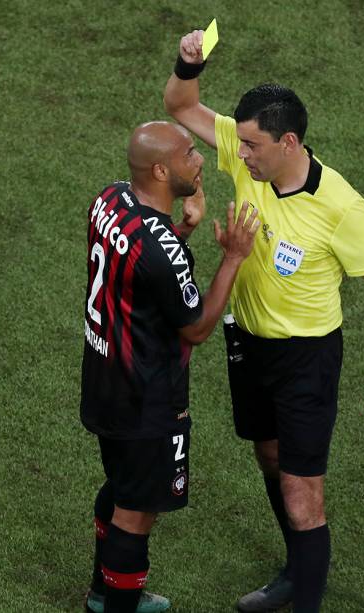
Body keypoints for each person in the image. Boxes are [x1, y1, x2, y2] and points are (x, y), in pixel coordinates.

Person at [163, 29, 364, 613]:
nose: (238, 155)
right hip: (247, 343)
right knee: (269, 458)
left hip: (306, 358)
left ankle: (304, 597)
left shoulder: (341, 207)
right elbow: (179, 105)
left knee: (303, 497)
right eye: (239, 144)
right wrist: (188, 61)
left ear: (288, 141)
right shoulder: (251, 160)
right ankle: (297, 571)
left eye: (250, 146)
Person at [80, 120, 260, 613]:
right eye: (188, 153)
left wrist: (180, 229)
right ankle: (117, 602)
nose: (199, 158)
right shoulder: (163, 251)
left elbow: (138, 267)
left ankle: (102, 592)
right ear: (160, 170)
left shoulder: (110, 199)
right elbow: (196, 327)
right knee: (137, 512)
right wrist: (232, 258)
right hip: (146, 397)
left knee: (122, 486)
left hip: (104, 380)